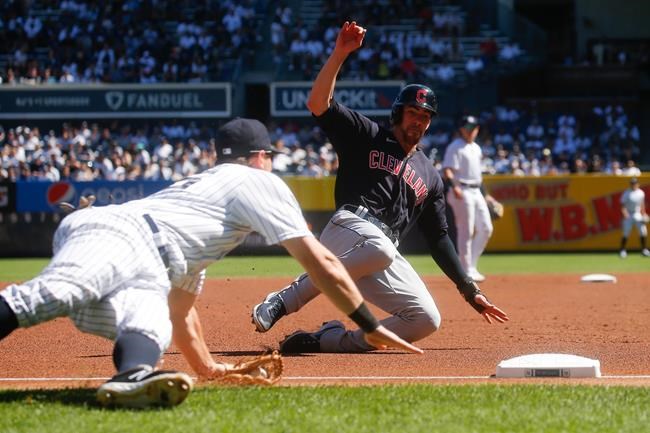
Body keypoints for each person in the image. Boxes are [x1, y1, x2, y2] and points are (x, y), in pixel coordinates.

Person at [0, 118, 420, 408]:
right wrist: (371, 325)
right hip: (122, 234)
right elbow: (323, 263)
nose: (272, 164)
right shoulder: (256, 180)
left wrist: (209, 369)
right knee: (52, 295)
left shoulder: (203, 210)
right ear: (258, 156)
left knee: (152, 324)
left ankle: (131, 378)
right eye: (269, 156)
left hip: (149, 255)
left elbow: (183, 316)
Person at [251, 22, 509, 354]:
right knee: (382, 248)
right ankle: (285, 299)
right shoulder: (368, 134)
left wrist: (468, 288)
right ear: (398, 113)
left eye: (425, 116)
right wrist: (340, 53)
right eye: (412, 112)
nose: (418, 120)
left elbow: (439, 237)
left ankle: (328, 339)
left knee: (425, 319)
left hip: (380, 251)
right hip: (347, 228)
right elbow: (318, 103)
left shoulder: (430, 175)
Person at [442, 115, 494, 282]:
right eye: (468, 128)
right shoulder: (455, 147)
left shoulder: (477, 148)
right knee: (467, 230)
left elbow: (477, 175)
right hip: (461, 189)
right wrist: (453, 186)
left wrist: (486, 196)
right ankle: (465, 270)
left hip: (476, 190)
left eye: (474, 128)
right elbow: (447, 170)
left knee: (486, 228)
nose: (471, 131)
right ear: (462, 129)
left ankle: (471, 266)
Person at [619, 177, 649, 258]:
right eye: (632, 183)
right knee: (626, 233)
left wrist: (644, 214)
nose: (633, 185)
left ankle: (644, 250)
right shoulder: (626, 193)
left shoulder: (641, 193)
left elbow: (642, 205)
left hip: (637, 213)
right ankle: (622, 250)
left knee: (643, 231)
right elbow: (622, 205)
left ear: (638, 184)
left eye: (635, 183)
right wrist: (625, 213)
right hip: (629, 214)